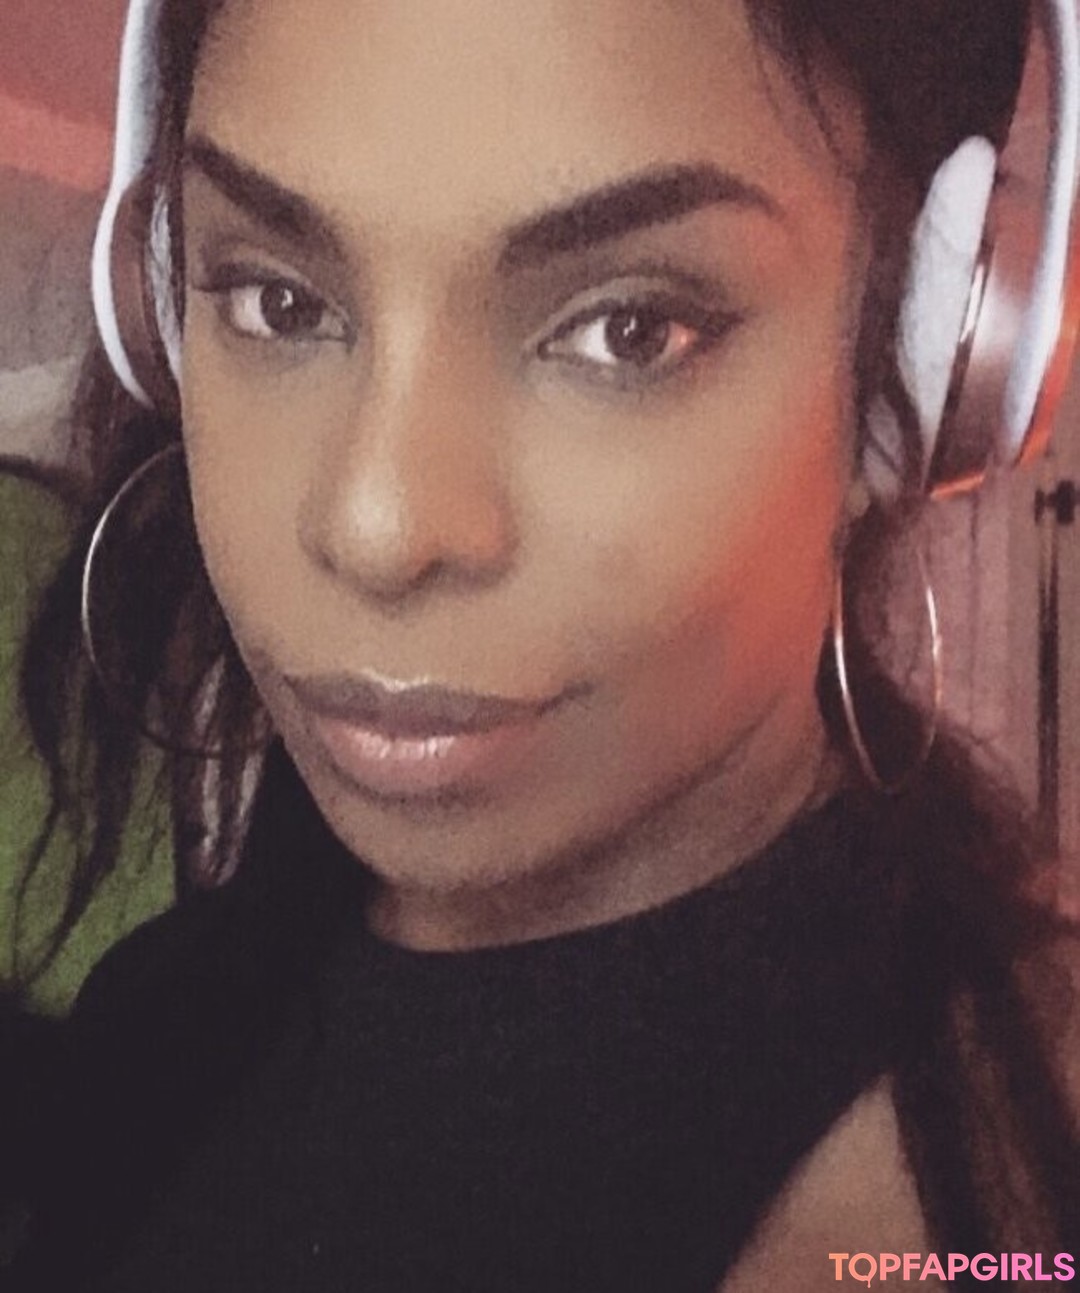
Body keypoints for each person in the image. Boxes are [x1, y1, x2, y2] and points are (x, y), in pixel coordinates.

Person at [3, 0, 1079, 1288]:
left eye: (628, 331)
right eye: (277, 301)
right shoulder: (159, 1013)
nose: (377, 528)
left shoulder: (979, 1194)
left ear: (926, 374)